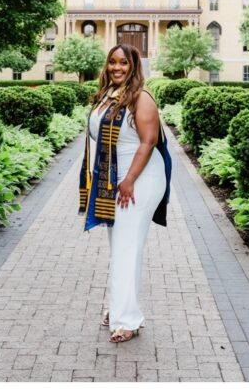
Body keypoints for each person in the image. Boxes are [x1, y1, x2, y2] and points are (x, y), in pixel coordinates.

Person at [78, 43, 172, 343]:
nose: (117, 68)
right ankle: (120, 307)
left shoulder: (141, 98)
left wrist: (129, 179)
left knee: (127, 246)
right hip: (114, 176)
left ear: (134, 67)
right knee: (120, 245)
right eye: (112, 62)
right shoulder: (107, 95)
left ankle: (127, 319)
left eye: (124, 64)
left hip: (140, 177)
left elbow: (148, 141)